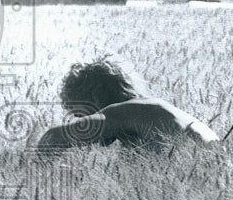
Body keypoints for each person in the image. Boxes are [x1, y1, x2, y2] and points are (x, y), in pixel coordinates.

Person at [36, 57, 219, 152]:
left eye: (80, 116)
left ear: (95, 101)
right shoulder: (151, 113)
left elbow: (52, 138)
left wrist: (40, 176)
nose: (83, 123)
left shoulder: (126, 111)